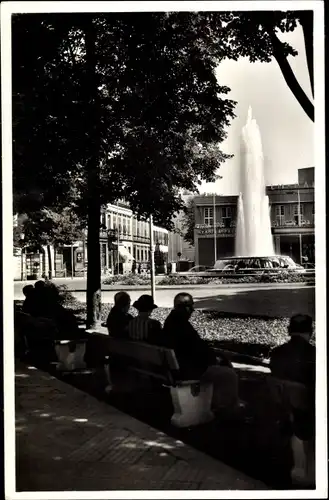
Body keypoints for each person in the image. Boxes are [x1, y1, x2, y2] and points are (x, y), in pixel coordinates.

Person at [162, 293, 242, 413]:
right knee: (229, 374)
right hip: (189, 370)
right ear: (183, 307)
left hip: (178, 367)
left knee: (222, 368)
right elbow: (198, 350)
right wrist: (216, 359)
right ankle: (228, 409)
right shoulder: (182, 326)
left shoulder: (171, 321)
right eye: (190, 306)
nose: (193, 310)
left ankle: (222, 403)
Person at [269, 314, 315, 485]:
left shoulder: (276, 353)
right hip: (305, 409)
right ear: (311, 331)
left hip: (283, 404)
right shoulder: (314, 354)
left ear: (289, 331)